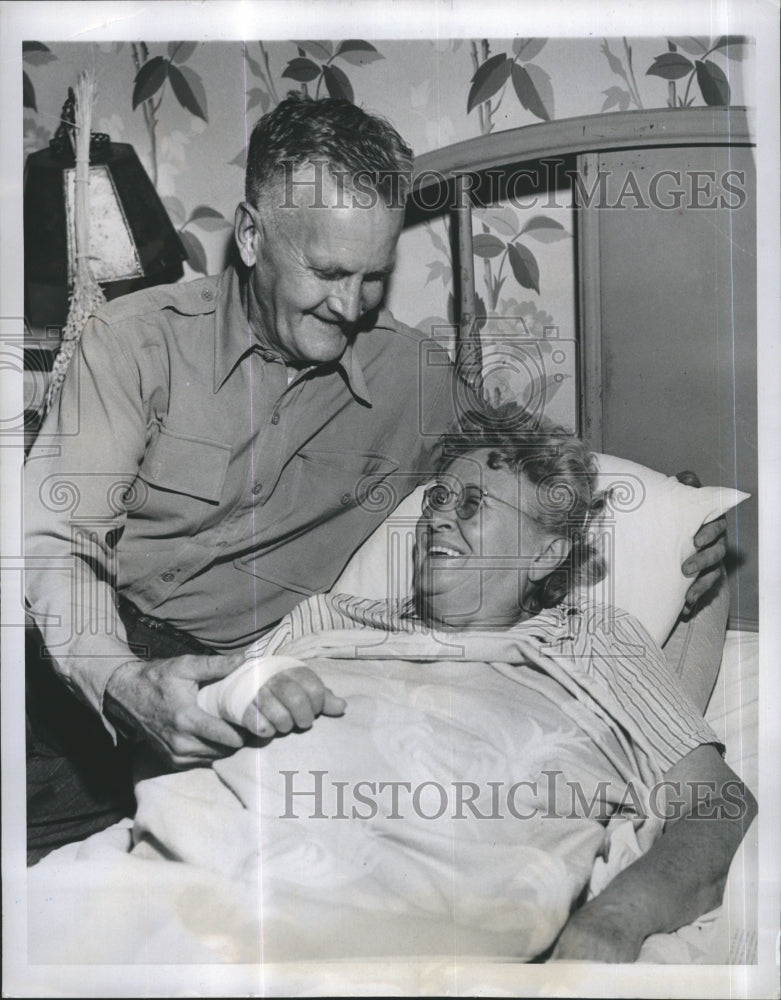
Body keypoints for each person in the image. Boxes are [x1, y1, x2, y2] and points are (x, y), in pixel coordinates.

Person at [23, 94, 727, 860]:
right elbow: (55, 544)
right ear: (253, 236)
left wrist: (674, 510)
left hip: (233, 689)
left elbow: (524, 471)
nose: (350, 304)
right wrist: (121, 681)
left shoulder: (411, 380)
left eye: (372, 277)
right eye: (326, 271)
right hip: (71, 659)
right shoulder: (133, 345)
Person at [139, 404, 754, 963]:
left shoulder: (596, 642)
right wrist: (248, 690)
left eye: (472, 506)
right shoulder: (327, 618)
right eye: (438, 498)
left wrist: (615, 921)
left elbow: (720, 804)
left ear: (544, 555)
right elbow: (199, 716)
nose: (437, 519)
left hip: (416, 908)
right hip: (205, 863)